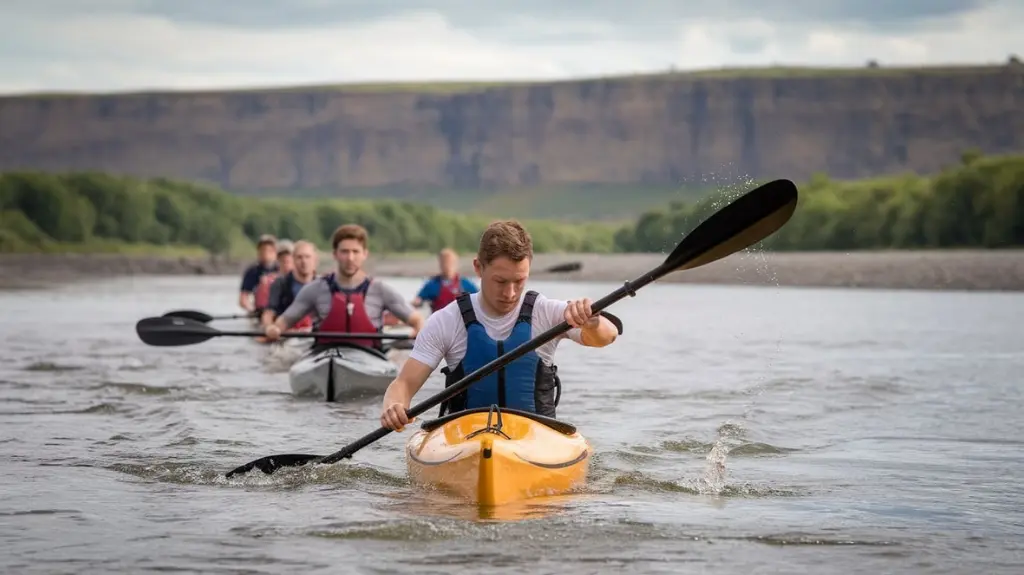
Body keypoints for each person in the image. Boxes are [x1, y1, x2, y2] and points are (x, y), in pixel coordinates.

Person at [379, 220, 619, 431]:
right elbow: (404, 384)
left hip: (537, 437)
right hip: (466, 439)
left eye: (519, 281)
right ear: (478, 268)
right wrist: (394, 407)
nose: (510, 293)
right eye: (500, 281)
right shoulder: (447, 320)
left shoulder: (546, 312)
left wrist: (593, 322)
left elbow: (607, 337)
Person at [263, 224, 425, 350]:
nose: (350, 258)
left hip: (370, 355)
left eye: (355, 251)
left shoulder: (381, 290)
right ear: (335, 254)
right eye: (345, 252)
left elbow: (417, 320)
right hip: (324, 354)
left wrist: (417, 331)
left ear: (365, 254)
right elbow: (283, 322)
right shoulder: (314, 289)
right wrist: (273, 329)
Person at [260, 240, 319, 329]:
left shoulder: (324, 285)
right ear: (293, 260)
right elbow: (269, 313)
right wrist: (269, 327)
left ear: (315, 260)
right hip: (288, 333)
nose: (304, 261)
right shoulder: (280, 284)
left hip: (315, 331)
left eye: (307, 257)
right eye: (299, 257)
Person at [411, 248, 479, 313]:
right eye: (444, 262)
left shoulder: (465, 284)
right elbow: (418, 300)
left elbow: (480, 298)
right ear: (440, 264)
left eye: (450, 263)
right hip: (439, 322)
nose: (447, 266)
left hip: (460, 322)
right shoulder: (432, 285)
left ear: (456, 264)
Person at [239, 234, 279, 314]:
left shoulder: (282, 269)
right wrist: (251, 310)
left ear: (275, 253)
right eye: (263, 250)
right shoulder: (252, 272)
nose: (266, 253)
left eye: (269, 250)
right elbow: (243, 298)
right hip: (260, 310)